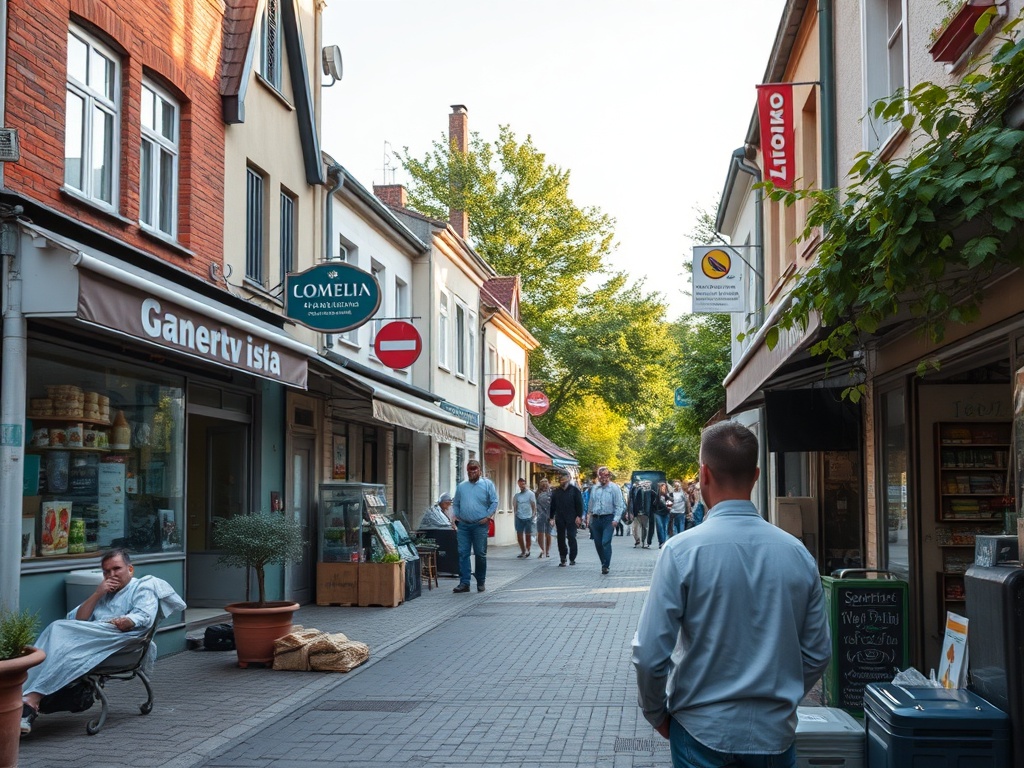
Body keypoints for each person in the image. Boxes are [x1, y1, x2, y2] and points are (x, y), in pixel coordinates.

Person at [632, 421, 831, 768]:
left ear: (703, 474)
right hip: (774, 734)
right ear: (755, 476)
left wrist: (656, 713)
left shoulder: (681, 552)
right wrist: (780, 700)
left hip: (700, 730)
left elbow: (650, 654)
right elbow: (818, 653)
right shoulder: (797, 553)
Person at [21, 548, 186, 735]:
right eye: (106, 571)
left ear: (130, 569)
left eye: (117, 569)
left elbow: (144, 616)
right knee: (58, 638)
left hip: (121, 643)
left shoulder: (142, 587)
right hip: (95, 639)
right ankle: (26, 700)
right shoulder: (105, 592)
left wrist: (128, 621)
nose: (111, 575)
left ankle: (28, 699)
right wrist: (98, 593)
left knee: (57, 629)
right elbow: (77, 620)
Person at [451, 459, 498, 593]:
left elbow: (494, 501)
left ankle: (481, 581)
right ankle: (464, 582)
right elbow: (456, 503)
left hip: (480, 525)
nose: (472, 472)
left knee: (480, 554)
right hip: (464, 525)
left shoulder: (487, 484)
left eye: (474, 469)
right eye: (469, 469)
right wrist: (457, 515)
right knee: (463, 553)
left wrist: (488, 516)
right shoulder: (461, 487)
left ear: (479, 470)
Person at [584, 466, 624, 574]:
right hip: (596, 519)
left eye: (606, 476)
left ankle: (606, 565)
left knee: (605, 541)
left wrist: (616, 519)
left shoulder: (614, 488)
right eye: (601, 476)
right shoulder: (595, 488)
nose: (603, 478)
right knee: (598, 543)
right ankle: (603, 563)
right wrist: (588, 517)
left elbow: (619, 505)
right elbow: (591, 504)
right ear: (598, 477)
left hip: (608, 518)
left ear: (609, 476)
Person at [550, 470, 583, 566]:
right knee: (560, 538)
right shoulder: (556, 492)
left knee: (571, 536)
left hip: (572, 517)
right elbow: (552, 505)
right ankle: (563, 558)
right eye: (561, 480)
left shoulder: (574, 490)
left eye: (564, 479)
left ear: (568, 479)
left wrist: (579, 516)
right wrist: (551, 518)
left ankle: (572, 557)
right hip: (560, 517)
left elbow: (579, 504)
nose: (563, 481)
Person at [512, 477, 537, 558]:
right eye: (520, 484)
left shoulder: (531, 494)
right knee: (519, 535)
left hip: (528, 517)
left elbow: (533, 505)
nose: (521, 486)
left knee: (528, 535)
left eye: (523, 484)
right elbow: (515, 505)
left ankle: (528, 550)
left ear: (525, 484)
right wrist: (515, 514)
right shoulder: (517, 496)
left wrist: (533, 515)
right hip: (519, 517)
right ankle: (523, 551)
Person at [646, 480, 671, 548]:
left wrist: (665, 495)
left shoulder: (668, 494)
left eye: (664, 487)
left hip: (666, 513)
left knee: (665, 527)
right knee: (660, 528)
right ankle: (661, 542)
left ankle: (665, 542)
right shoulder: (656, 495)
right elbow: (654, 503)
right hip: (658, 513)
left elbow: (670, 504)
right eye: (662, 487)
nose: (663, 489)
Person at [534, 477, 553, 558]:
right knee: (540, 533)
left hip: (549, 516)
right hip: (540, 516)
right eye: (543, 485)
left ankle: (547, 551)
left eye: (546, 485)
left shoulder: (551, 494)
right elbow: (534, 504)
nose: (545, 486)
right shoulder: (536, 494)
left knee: (548, 534)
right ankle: (542, 550)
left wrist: (553, 517)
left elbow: (554, 505)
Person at [630, 480, 651, 548]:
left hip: (645, 512)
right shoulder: (635, 490)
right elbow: (633, 501)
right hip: (637, 512)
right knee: (635, 528)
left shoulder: (649, 491)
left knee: (644, 527)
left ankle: (643, 542)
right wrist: (632, 512)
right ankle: (638, 540)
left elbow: (651, 501)